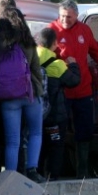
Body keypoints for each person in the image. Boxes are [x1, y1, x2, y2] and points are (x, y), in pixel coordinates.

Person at [48, 0, 98, 178]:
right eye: (63, 16)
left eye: (69, 17)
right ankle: (55, 172)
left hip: (83, 91)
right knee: (59, 133)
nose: (65, 20)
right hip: (61, 93)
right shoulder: (51, 31)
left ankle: (83, 173)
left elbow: (97, 52)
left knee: (85, 132)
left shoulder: (84, 30)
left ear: (76, 16)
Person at [0, 7, 46, 183]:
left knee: (12, 141)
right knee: (35, 133)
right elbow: (36, 69)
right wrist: (38, 91)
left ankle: (11, 177)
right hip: (29, 93)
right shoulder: (28, 42)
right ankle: (32, 169)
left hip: (7, 97)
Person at [36, 27, 80, 180]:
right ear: (54, 43)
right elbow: (74, 81)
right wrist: (74, 65)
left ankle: (37, 174)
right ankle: (54, 178)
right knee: (56, 146)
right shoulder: (57, 64)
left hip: (35, 115)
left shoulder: (31, 59)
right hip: (54, 116)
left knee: (38, 145)